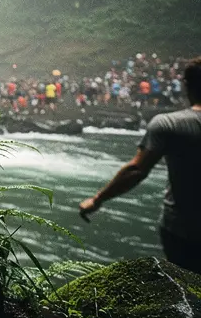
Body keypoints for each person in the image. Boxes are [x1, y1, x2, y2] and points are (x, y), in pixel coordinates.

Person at [80, 57, 201, 274]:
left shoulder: (170, 124)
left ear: (186, 85)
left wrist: (97, 199)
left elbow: (136, 171)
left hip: (183, 231)